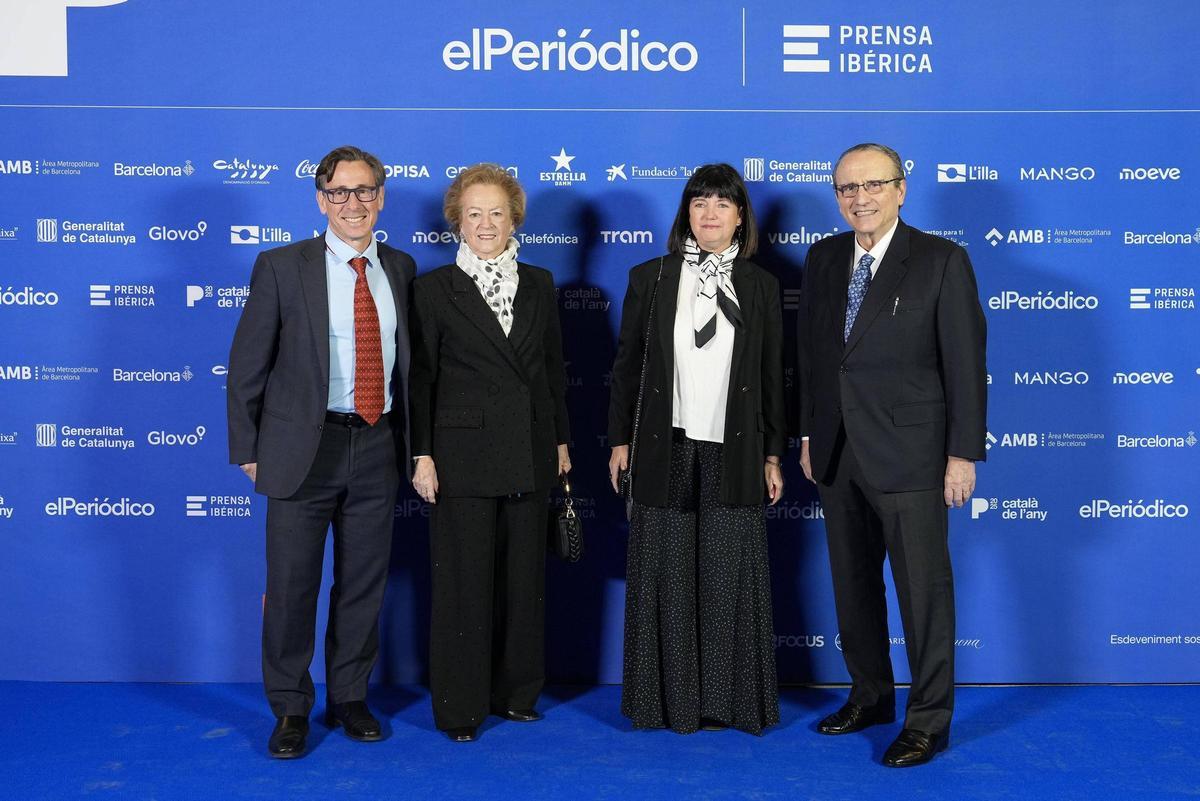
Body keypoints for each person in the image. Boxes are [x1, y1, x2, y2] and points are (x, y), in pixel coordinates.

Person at [797, 143, 987, 767]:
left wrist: (961, 456)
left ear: (901, 190)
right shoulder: (824, 257)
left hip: (913, 455)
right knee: (853, 590)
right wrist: (807, 434)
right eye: (848, 188)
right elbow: (814, 360)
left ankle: (928, 719)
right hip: (837, 451)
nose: (861, 198)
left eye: (874, 185)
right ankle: (870, 694)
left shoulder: (940, 260)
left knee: (923, 596)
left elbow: (965, 364)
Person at [226, 145, 415, 759]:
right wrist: (248, 448)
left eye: (364, 192)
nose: (353, 204)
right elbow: (247, 366)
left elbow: (412, 371)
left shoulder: (403, 269)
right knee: (291, 587)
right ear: (320, 200)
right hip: (300, 449)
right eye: (340, 193)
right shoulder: (282, 266)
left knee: (362, 583)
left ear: (381, 197)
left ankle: (350, 696)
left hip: (377, 442)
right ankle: (289, 707)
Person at [607, 163, 785, 735]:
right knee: (666, 571)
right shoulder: (651, 278)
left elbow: (774, 374)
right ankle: (669, 704)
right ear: (686, 212)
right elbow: (626, 369)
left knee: (729, 572)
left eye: (722, 204)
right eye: (699, 202)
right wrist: (617, 442)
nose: (709, 214)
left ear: (740, 217)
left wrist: (773, 454)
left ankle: (729, 704)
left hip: (736, 449)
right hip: (665, 444)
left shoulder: (760, 286)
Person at [409, 163, 571, 743]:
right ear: (456, 221)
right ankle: (460, 706)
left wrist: (559, 441)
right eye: (473, 213)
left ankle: (515, 693)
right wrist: (421, 454)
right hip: (461, 456)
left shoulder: (540, 283)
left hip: (528, 448)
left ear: (514, 219)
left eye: (496, 213)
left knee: (523, 582)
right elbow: (420, 379)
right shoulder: (431, 289)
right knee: (463, 585)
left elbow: (552, 372)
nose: (485, 223)